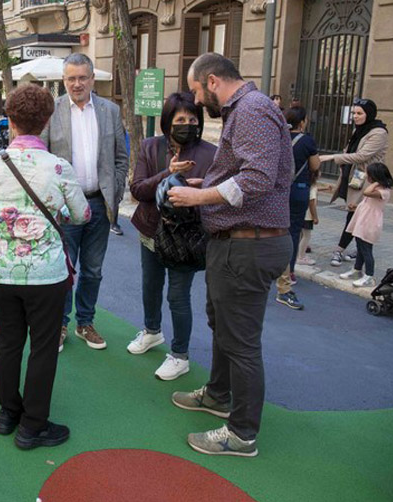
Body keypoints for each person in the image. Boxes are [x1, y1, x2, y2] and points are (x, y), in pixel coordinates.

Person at [167, 53, 292, 457]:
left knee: (240, 341)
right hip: (239, 242)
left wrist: (199, 195)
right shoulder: (249, 109)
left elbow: (257, 177)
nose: (198, 103)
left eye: (199, 92)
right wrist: (212, 182)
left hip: (249, 244)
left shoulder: (252, 109)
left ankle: (241, 434)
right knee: (224, 326)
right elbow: (247, 173)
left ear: (214, 80)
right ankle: (219, 395)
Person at [0, 84, 90, 449]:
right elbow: (81, 214)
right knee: (43, 347)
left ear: (9, 119)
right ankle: (33, 425)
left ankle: (8, 412)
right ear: (46, 121)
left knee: (9, 342)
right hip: (45, 274)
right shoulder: (59, 167)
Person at [40, 53, 129, 352]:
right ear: (63, 80)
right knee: (63, 270)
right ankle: (60, 324)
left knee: (93, 270)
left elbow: (120, 157)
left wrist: (114, 195)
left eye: (82, 77)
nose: (76, 84)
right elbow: (42, 158)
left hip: (98, 206)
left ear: (92, 79)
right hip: (64, 209)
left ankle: (85, 322)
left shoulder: (110, 111)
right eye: (70, 78)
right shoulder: (51, 111)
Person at [128, 92, 216, 380]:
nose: (187, 124)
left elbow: (217, 194)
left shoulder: (210, 153)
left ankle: (180, 354)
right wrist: (169, 174)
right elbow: (138, 190)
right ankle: (152, 331)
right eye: (180, 119)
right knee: (150, 286)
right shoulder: (151, 146)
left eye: (193, 119)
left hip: (186, 237)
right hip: (151, 229)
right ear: (168, 122)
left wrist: (196, 192)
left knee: (178, 295)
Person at [320, 98, 389, 267]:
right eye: (354, 113)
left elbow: (361, 156)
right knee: (356, 216)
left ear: (369, 114)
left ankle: (340, 250)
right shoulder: (359, 131)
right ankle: (359, 253)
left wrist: (331, 157)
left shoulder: (378, 132)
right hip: (352, 177)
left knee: (355, 215)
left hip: (367, 182)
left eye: (359, 113)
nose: (355, 117)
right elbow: (350, 150)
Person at [275, 106, 320, 311]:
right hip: (299, 189)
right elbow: (315, 166)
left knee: (277, 231)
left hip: (278, 190)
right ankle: (288, 273)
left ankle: (280, 278)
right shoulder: (307, 141)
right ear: (302, 122)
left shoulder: (278, 137)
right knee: (292, 232)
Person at [338, 163, 393, 288]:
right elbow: (368, 203)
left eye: (369, 175)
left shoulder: (383, 191)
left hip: (370, 223)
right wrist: (356, 207)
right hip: (362, 220)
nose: (367, 177)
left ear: (376, 177)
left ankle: (369, 276)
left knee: (366, 249)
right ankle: (357, 271)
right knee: (360, 247)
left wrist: (377, 182)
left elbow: (367, 193)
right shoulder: (376, 189)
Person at [296, 169, 324, 266]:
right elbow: (312, 202)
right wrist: (315, 217)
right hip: (308, 216)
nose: (321, 173)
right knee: (306, 236)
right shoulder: (313, 186)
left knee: (300, 235)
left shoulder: (307, 184)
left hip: (301, 213)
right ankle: (301, 257)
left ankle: (298, 254)